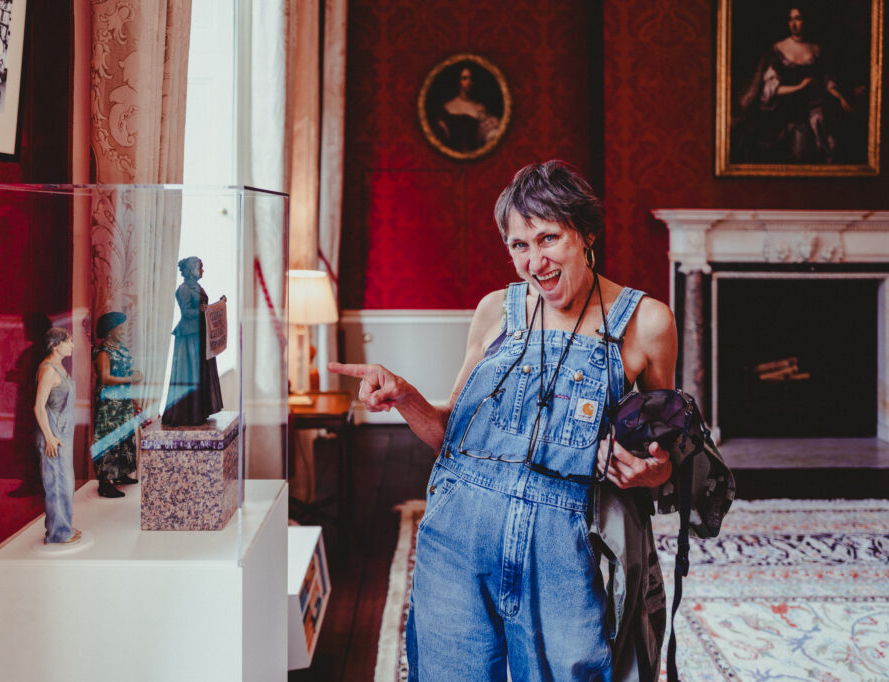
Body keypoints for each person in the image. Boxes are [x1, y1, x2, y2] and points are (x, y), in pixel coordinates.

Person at [330, 160, 678, 680]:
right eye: (519, 246)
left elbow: (664, 457)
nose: (535, 261)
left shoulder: (646, 322)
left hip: (563, 553)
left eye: (548, 239)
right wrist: (406, 399)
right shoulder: (496, 311)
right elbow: (451, 435)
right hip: (458, 539)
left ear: (585, 233)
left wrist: (651, 471)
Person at [732, 6, 853, 164]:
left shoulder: (817, 50)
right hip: (786, 112)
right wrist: (800, 87)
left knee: (832, 136)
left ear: (806, 21)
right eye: (790, 19)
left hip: (814, 110)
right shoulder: (778, 50)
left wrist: (841, 97)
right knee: (799, 136)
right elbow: (771, 91)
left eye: (798, 18)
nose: (793, 24)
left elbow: (827, 82)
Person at [162, 257, 224, 426]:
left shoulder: (197, 287)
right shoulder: (183, 289)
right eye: (200, 267)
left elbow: (202, 309)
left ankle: (199, 411)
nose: (202, 270)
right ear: (191, 269)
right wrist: (202, 310)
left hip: (200, 335)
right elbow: (187, 313)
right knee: (191, 373)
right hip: (189, 336)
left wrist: (218, 305)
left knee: (200, 373)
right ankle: (188, 414)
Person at [33, 327, 82, 544]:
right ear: (55, 344)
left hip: (62, 432)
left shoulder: (58, 367)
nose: (72, 345)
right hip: (53, 433)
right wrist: (50, 437)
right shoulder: (49, 370)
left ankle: (64, 527)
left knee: (65, 482)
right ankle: (58, 533)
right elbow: (38, 407)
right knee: (55, 483)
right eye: (68, 341)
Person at [92, 312, 144, 498]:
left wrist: (133, 374)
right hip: (110, 403)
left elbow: (124, 368)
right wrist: (129, 378)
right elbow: (105, 377)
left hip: (122, 399)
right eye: (120, 328)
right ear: (109, 330)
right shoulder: (104, 352)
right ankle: (105, 482)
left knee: (124, 438)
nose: (123, 331)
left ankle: (121, 473)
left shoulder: (120, 348)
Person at [434, 65, 501, 152]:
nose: (468, 82)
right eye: (464, 78)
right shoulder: (447, 107)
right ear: (458, 81)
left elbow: (488, 137)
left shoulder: (480, 108)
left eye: (471, 78)